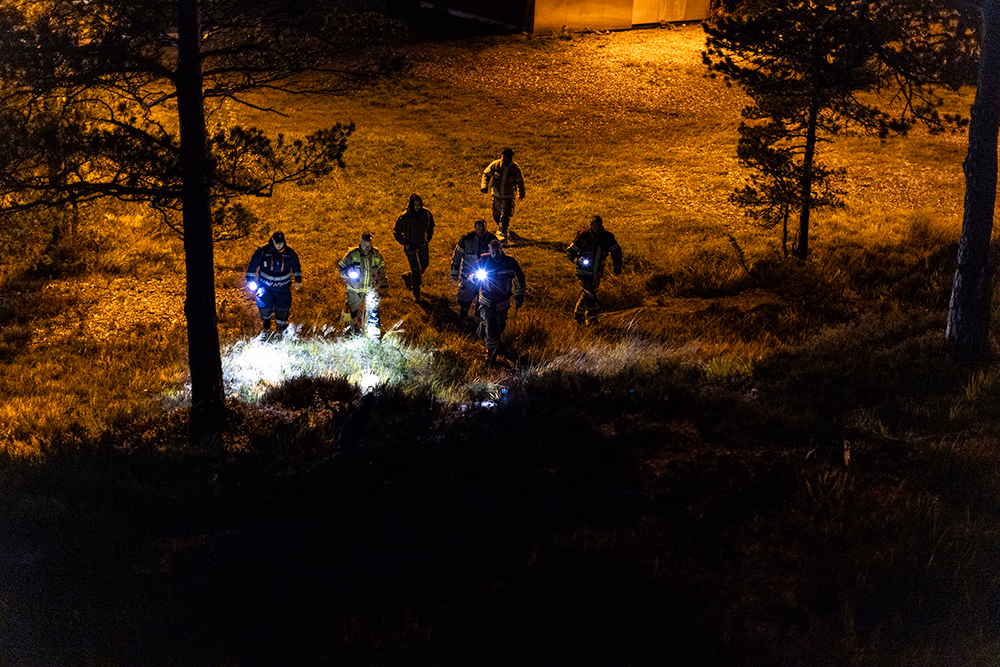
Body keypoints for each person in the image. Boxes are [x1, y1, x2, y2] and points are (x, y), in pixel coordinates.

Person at [474, 239, 525, 364]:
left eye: (497, 252)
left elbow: (519, 279)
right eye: (492, 252)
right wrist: (475, 277)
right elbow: (472, 274)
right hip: (487, 300)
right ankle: (491, 355)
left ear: (501, 250)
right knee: (491, 327)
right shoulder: (483, 260)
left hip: (503, 301)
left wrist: (519, 297)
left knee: (500, 326)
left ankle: (485, 331)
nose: (495, 255)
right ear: (489, 251)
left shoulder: (510, 262)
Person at [566, 215, 623, 326]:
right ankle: (592, 321)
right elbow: (570, 252)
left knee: (589, 292)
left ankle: (579, 314)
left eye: (599, 225)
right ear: (591, 225)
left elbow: (616, 251)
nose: (597, 228)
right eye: (595, 225)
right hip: (583, 271)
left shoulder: (608, 237)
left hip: (597, 271)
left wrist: (617, 267)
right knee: (590, 292)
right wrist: (577, 260)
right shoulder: (583, 236)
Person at [245, 230, 302, 340]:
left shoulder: (290, 253)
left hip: (283, 286)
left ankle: (281, 328)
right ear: (272, 241)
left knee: (283, 307)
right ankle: (266, 321)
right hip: (265, 285)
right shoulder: (263, 251)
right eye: (277, 243)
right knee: (264, 304)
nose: (279, 245)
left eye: (281, 243)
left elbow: (296, 266)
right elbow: (252, 265)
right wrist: (250, 280)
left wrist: (298, 280)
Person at [338, 231, 389, 341]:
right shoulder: (352, 255)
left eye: (369, 245)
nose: (367, 247)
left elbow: (382, 272)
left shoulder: (377, 256)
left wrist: (384, 285)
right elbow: (341, 268)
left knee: (373, 314)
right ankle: (351, 336)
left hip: (371, 290)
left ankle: (374, 339)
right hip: (354, 291)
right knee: (352, 315)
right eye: (365, 245)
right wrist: (347, 272)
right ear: (360, 243)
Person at [450, 219, 499, 321]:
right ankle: (463, 314)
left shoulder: (493, 240)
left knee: (484, 297)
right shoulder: (467, 239)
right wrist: (455, 272)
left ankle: (478, 318)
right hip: (468, 275)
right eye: (478, 229)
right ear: (475, 229)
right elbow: (457, 256)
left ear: (486, 228)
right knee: (464, 296)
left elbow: (499, 258)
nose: (481, 231)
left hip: (487, 275)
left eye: (483, 229)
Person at [393, 193, 435, 301]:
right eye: (416, 205)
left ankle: (409, 277)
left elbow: (431, 226)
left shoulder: (426, 214)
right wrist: (405, 243)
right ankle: (417, 294)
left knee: (424, 264)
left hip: (423, 245)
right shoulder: (405, 217)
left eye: (419, 205)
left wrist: (428, 238)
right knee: (416, 270)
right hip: (411, 247)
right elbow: (397, 232)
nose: (418, 207)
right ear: (412, 205)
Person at [480, 147, 525, 245]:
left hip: (508, 196)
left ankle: (502, 236)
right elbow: (486, 174)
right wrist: (484, 186)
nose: (503, 160)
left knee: (505, 215)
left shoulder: (515, 169)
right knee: (496, 214)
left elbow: (520, 181)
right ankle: (503, 228)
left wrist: (522, 192)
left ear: (509, 158)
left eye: (505, 158)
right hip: (497, 195)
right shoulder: (495, 165)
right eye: (502, 157)